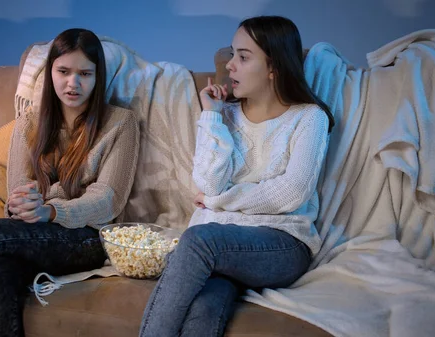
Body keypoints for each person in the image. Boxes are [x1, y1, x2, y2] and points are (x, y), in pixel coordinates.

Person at [139, 15, 335, 337]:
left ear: (274, 68)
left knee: (198, 240)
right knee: (205, 304)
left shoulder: (308, 118)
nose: (230, 65)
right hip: (227, 246)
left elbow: (291, 192)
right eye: (232, 54)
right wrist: (212, 117)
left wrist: (219, 202)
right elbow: (208, 183)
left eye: (243, 57)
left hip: (282, 244)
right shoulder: (223, 115)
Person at [0, 28, 140, 337]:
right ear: (50, 72)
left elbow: (106, 200)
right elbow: (17, 192)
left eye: (84, 74)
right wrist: (24, 204)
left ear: (97, 77)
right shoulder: (29, 122)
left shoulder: (120, 123)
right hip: (34, 232)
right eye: (63, 71)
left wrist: (50, 210)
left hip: (88, 238)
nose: (72, 83)